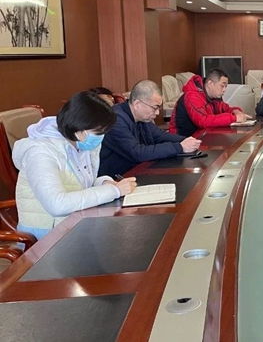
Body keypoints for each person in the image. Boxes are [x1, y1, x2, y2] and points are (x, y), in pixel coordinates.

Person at [12, 92, 137, 240]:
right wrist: (114, 191)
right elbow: (57, 205)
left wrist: (104, 182)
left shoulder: (82, 144)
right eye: (98, 132)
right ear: (80, 128)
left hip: (75, 224)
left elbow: (81, 184)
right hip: (46, 236)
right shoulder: (40, 153)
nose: (101, 137)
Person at [99, 80, 202, 177]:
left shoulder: (142, 118)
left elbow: (160, 136)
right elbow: (137, 152)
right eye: (155, 108)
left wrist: (187, 140)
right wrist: (180, 147)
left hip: (138, 171)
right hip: (117, 179)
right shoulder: (115, 120)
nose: (157, 113)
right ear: (137, 104)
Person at [169, 68, 252, 137]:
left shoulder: (215, 96)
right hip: (183, 140)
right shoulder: (192, 96)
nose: (224, 90)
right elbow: (203, 121)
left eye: (225, 86)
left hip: (204, 138)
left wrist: (236, 111)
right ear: (210, 83)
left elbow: (225, 108)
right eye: (222, 86)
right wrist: (234, 118)